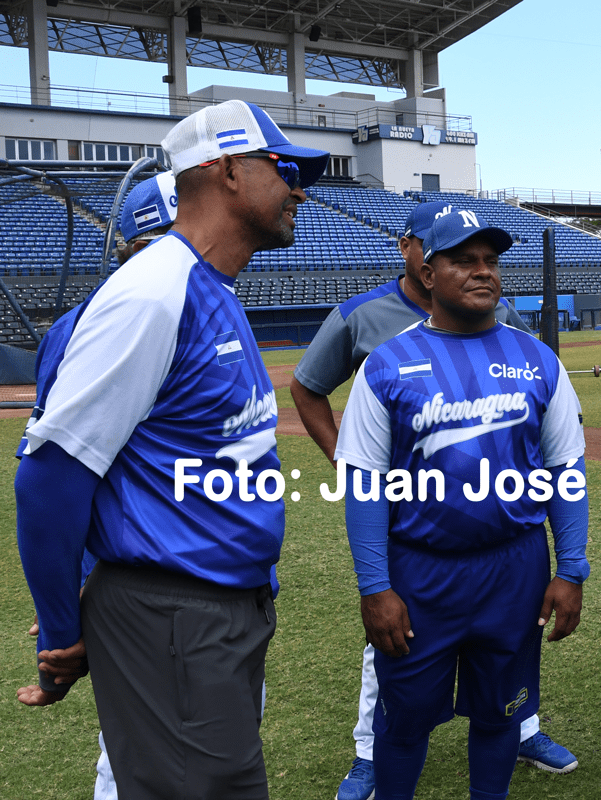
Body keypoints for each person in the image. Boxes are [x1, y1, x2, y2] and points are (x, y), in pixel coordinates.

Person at [15, 99, 329, 799]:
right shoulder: (154, 293)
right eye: (283, 170)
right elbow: (50, 476)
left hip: (217, 608)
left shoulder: (209, 286)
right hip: (175, 614)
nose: (300, 191)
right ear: (226, 171)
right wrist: (63, 629)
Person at [290, 203, 575, 800]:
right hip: (420, 572)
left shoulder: (538, 359)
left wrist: (571, 569)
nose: (482, 271)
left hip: (515, 567)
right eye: (462, 260)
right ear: (427, 273)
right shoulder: (386, 365)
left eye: (490, 260)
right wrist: (375, 587)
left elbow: (565, 470)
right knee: (404, 722)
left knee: (501, 715)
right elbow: (365, 484)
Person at [19, 170, 180, 800]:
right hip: (148, 593)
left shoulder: (211, 308)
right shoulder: (91, 325)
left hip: (213, 598)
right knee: (137, 761)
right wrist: (69, 609)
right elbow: (56, 472)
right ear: (133, 249)